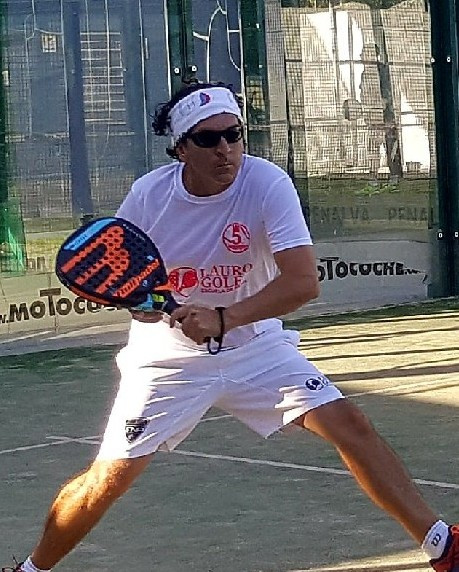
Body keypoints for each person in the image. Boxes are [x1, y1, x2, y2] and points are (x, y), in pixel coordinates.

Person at [3, 81, 458, 572]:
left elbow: (303, 283)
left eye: (234, 134)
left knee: (350, 426)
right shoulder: (149, 195)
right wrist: (143, 307)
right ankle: (29, 570)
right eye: (208, 139)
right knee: (108, 479)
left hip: (256, 348)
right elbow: (124, 274)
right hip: (166, 360)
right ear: (181, 148)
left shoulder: (266, 183)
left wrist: (223, 319)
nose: (225, 149)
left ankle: (442, 548)